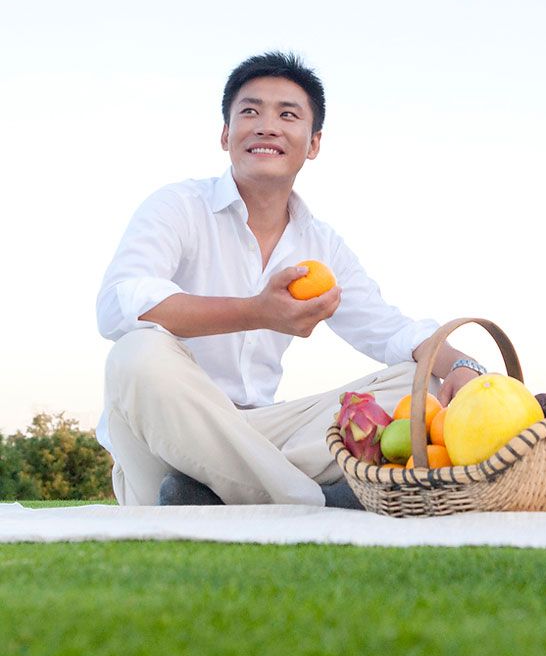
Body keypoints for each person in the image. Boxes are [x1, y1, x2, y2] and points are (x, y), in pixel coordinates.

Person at [96, 50, 486, 507]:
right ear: (226, 134)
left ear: (313, 143)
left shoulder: (321, 243)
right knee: (135, 354)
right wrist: (256, 312)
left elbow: (390, 329)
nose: (266, 126)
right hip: (165, 439)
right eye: (250, 111)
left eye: (287, 114)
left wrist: (464, 366)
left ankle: (210, 495)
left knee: (416, 386)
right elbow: (117, 304)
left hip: (262, 432)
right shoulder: (177, 206)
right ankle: (308, 502)